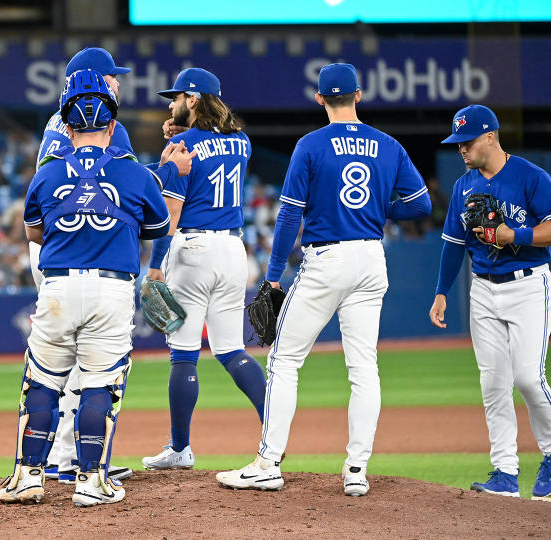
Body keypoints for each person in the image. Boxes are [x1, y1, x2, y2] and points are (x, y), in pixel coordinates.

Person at [215, 63, 431, 496]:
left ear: (319, 99)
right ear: (359, 94)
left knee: (284, 360)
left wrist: (273, 277)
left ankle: (268, 463)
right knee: (363, 367)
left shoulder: (311, 145)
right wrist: (376, 210)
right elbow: (420, 205)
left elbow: (291, 213)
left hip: (327, 259)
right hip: (372, 258)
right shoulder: (388, 145)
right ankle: (356, 471)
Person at [0, 69, 170, 507]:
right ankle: (91, 481)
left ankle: (27, 476)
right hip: (111, 290)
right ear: (113, 126)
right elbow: (159, 226)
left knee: (42, 381)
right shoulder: (135, 174)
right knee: (99, 384)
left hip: (57, 288)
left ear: (66, 124)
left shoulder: (48, 172)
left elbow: (35, 233)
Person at [33, 46, 194, 486]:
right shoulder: (107, 125)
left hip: (54, 245)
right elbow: (121, 191)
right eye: (111, 76)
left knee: (56, 363)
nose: (117, 82)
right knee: (93, 364)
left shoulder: (56, 123)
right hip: (89, 253)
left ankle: (52, 460)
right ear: (93, 80)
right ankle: (73, 461)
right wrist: (166, 169)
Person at [141, 68, 268, 471]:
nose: (170, 103)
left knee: (184, 355)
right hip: (234, 249)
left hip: (193, 247)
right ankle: (274, 433)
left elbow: (171, 215)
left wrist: (155, 268)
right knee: (232, 350)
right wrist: (180, 131)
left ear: (193, 99)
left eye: (176, 97)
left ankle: (180, 449)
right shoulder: (242, 142)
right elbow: (218, 139)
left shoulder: (183, 145)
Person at [429, 104, 551, 501]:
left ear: (490, 137)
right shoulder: (465, 186)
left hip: (529, 285)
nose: (461, 150)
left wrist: (513, 234)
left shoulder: (532, 178)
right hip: (481, 288)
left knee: (529, 378)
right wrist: (442, 292)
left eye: (466, 142)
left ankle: (550, 456)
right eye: (457, 144)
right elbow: (452, 245)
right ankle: (505, 472)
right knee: (494, 383)